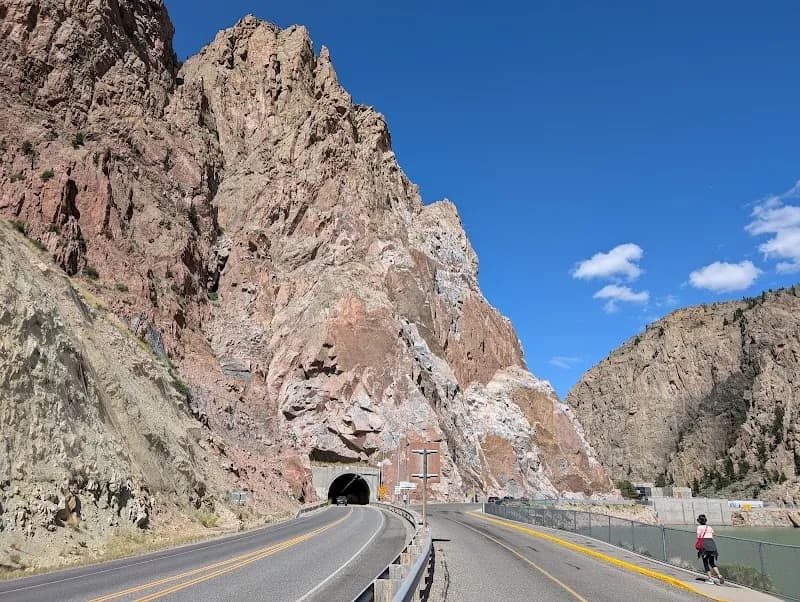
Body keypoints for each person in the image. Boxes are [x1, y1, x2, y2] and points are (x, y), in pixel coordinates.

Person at [696, 514, 724, 585]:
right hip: (712, 545)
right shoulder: (709, 527)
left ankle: (710, 579)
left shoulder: (699, 527)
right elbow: (712, 535)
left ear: (699, 521)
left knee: (705, 563)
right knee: (712, 562)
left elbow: (699, 537)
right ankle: (719, 575)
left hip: (705, 546)